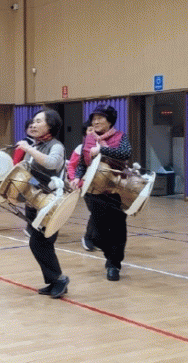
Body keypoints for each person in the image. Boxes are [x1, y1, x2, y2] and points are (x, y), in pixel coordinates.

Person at [70, 104, 131, 281]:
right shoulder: (88, 139)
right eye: (93, 119)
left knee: (118, 229)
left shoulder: (120, 136)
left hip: (118, 190)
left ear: (110, 121)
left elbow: (125, 153)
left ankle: (114, 265)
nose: (95, 122)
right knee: (97, 235)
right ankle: (111, 255)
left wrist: (102, 149)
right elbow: (82, 163)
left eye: (100, 118)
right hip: (94, 191)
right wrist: (77, 177)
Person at [16, 109, 69, 299]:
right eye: (33, 121)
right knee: (41, 244)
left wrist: (28, 149)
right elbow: (28, 174)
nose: (33, 124)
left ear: (50, 125)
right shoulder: (35, 146)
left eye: (39, 121)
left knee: (39, 243)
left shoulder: (56, 146)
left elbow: (52, 164)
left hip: (50, 203)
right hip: (34, 202)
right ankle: (55, 281)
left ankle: (59, 279)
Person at [67, 120, 96, 251]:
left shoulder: (104, 146)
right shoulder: (80, 149)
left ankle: (96, 239)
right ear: (85, 133)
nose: (93, 132)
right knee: (95, 211)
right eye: (90, 130)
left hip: (103, 185)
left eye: (95, 129)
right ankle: (88, 238)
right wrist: (75, 180)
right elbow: (72, 166)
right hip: (87, 185)